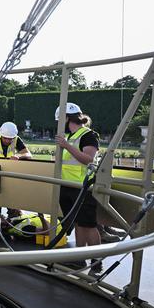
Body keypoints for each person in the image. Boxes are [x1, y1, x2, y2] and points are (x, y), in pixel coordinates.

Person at [55, 103, 102, 272]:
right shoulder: (70, 136)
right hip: (69, 185)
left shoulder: (88, 135)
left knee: (88, 225)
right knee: (79, 223)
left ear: (67, 118)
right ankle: (79, 258)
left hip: (83, 187)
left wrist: (66, 145)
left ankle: (96, 260)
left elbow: (88, 159)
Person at [0, 122, 31, 232]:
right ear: (1, 135)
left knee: (14, 208)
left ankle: (11, 222)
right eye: (6, 138)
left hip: (9, 177)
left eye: (10, 139)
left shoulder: (16, 140)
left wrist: (18, 156)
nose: (8, 141)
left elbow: (28, 154)